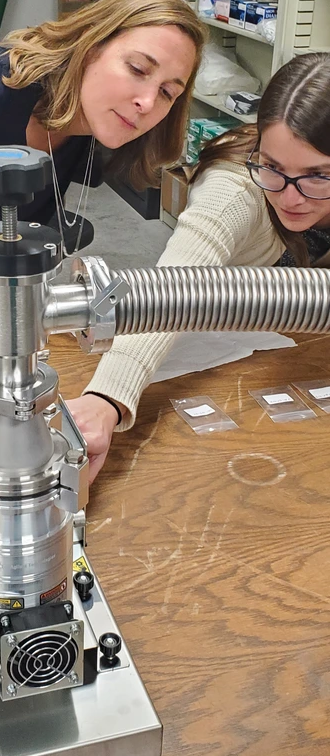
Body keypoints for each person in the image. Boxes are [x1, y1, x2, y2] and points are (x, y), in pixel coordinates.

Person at [67, 51, 330, 482]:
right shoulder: (233, 190)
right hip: (230, 358)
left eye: (318, 176)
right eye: (273, 167)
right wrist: (105, 401)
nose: (290, 196)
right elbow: (172, 286)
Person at [0, 0, 204, 291]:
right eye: (138, 69)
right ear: (91, 46)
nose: (148, 102)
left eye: (168, 92)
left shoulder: (87, 126)